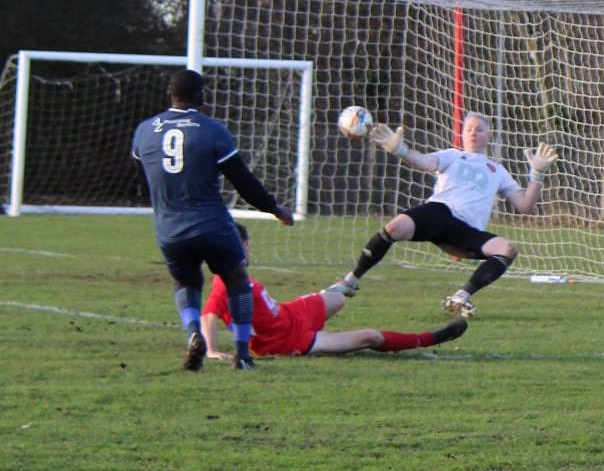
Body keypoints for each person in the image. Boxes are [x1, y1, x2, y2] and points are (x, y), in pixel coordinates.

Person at [131, 69, 294, 372]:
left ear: (170, 94)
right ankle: (242, 355)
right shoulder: (212, 131)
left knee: (185, 281)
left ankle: (194, 333)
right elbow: (243, 181)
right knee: (237, 280)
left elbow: (149, 173)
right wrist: (274, 209)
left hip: (169, 228)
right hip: (211, 225)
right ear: (202, 96)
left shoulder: (144, 131)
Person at [329, 112, 558, 318]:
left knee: (507, 249)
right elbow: (425, 162)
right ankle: (350, 281)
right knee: (394, 227)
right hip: (439, 213)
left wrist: (537, 174)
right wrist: (400, 149)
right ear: (462, 134)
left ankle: (461, 297)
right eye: (469, 129)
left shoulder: (498, 171)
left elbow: (525, 206)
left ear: (489, 135)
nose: (473, 133)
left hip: (467, 231)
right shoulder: (452, 156)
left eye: (479, 129)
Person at [201, 224, 467, 358]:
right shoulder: (224, 281)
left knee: (338, 297)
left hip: (291, 313)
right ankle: (429, 338)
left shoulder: (239, 274)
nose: (243, 250)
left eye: (243, 245)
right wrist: (211, 350)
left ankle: (345, 284)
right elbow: (210, 313)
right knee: (370, 337)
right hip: (288, 341)